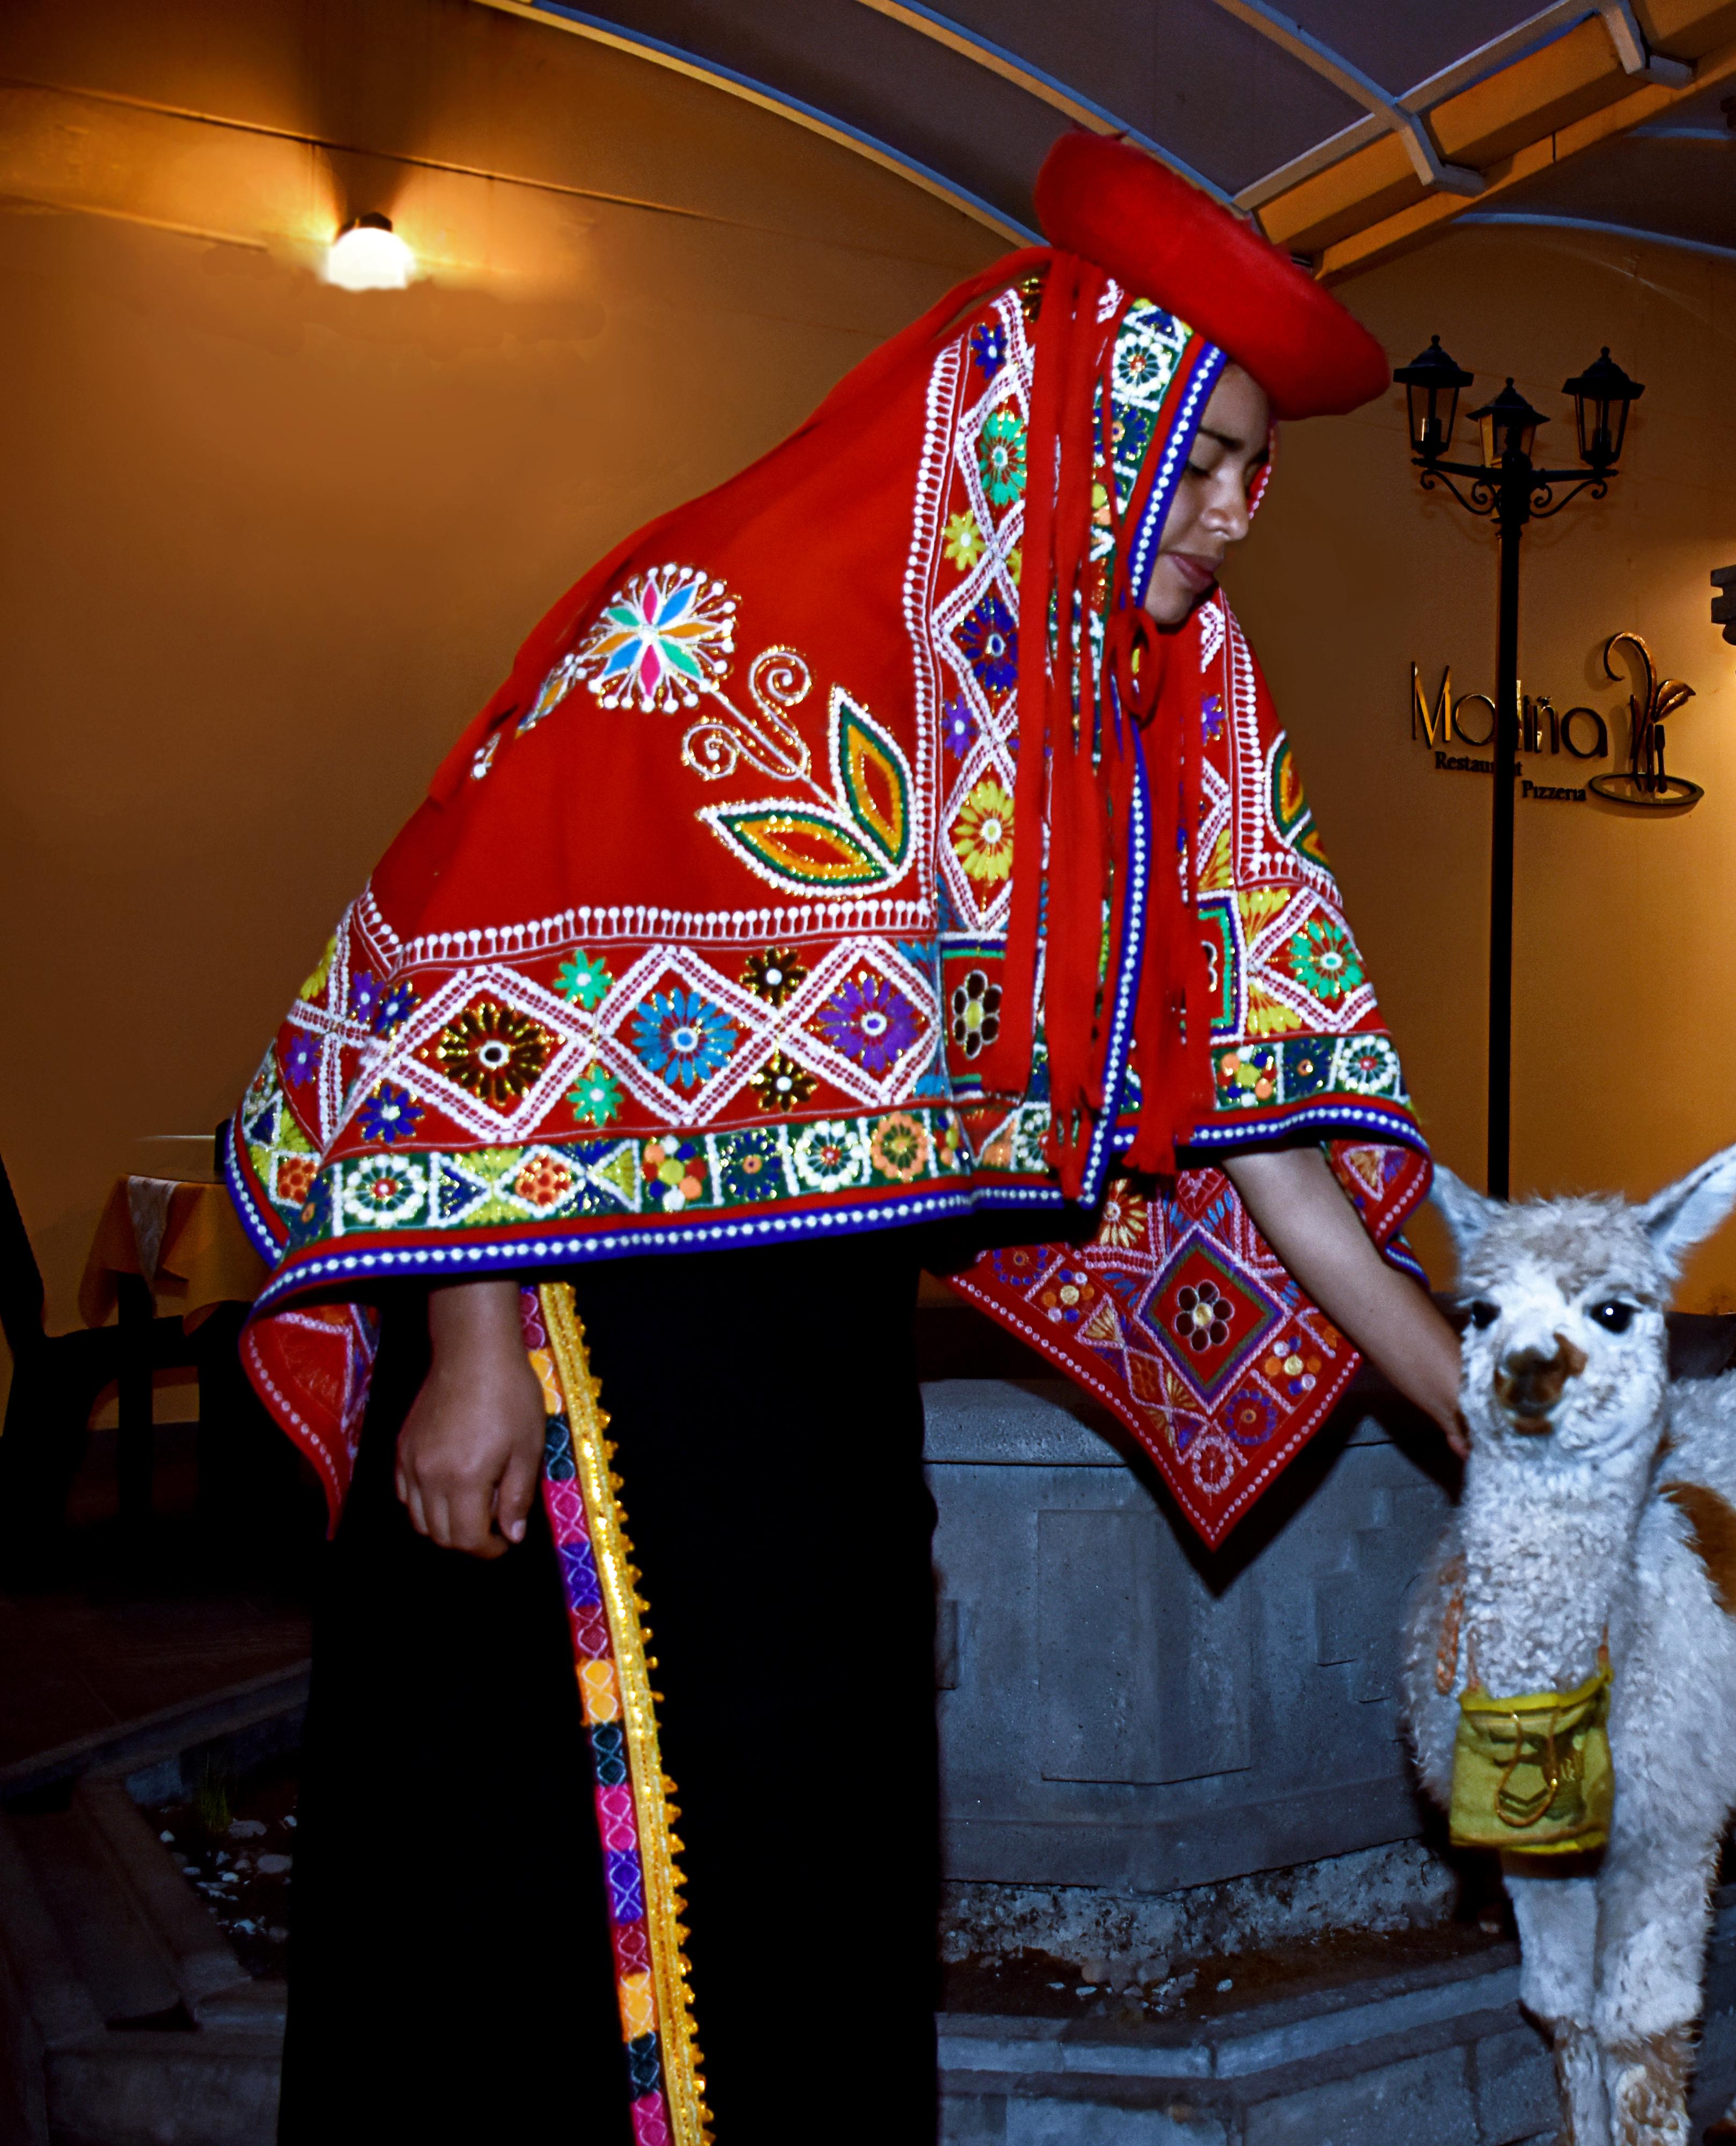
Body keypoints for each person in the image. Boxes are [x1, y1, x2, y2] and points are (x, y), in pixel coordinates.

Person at [224, 134, 1463, 2144]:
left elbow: (1276, 1143)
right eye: (1215, 455)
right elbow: (468, 948)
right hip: (586, 1352)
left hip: (805, 1366)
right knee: (566, 1858)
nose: (1241, 510)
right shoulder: (713, 625)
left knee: (811, 1818)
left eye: (1259, 467)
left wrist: (1476, 1404)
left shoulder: (1138, 714)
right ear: (1088, 425)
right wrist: (464, 1355)